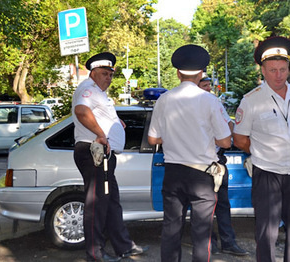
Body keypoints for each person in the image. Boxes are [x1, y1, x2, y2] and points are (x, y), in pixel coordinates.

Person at [232, 36, 290, 262]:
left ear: (288, 68)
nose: (278, 75)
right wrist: (262, 151)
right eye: (272, 70)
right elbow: (239, 139)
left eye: (282, 69)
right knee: (266, 232)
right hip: (267, 173)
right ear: (263, 71)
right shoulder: (251, 101)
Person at [147, 44, 232, 262]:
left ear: (178, 73)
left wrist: (175, 136)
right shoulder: (211, 101)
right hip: (201, 175)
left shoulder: (164, 100)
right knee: (202, 235)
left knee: (171, 229)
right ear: (201, 73)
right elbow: (225, 141)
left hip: (173, 172)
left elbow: (153, 139)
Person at [72, 52, 148, 262]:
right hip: (94, 153)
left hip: (102, 155)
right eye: (104, 73)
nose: (109, 78)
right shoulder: (88, 89)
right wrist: (101, 134)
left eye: (111, 74)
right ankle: (95, 253)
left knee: (111, 202)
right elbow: (81, 111)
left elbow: (96, 113)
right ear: (93, 73)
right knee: (96, 204)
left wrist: (115, 122)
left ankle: (124, 246)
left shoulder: (97, 92)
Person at [197, 75, 249, 256]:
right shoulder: (193, 106)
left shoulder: (214, 103)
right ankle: (210, 245)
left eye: (209, 86)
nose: (209, 89)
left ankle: (228, 242)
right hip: (201, 161)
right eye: (204, 86)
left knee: (223, 205)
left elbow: (229, 124)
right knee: (205, 207)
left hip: (218, 160)